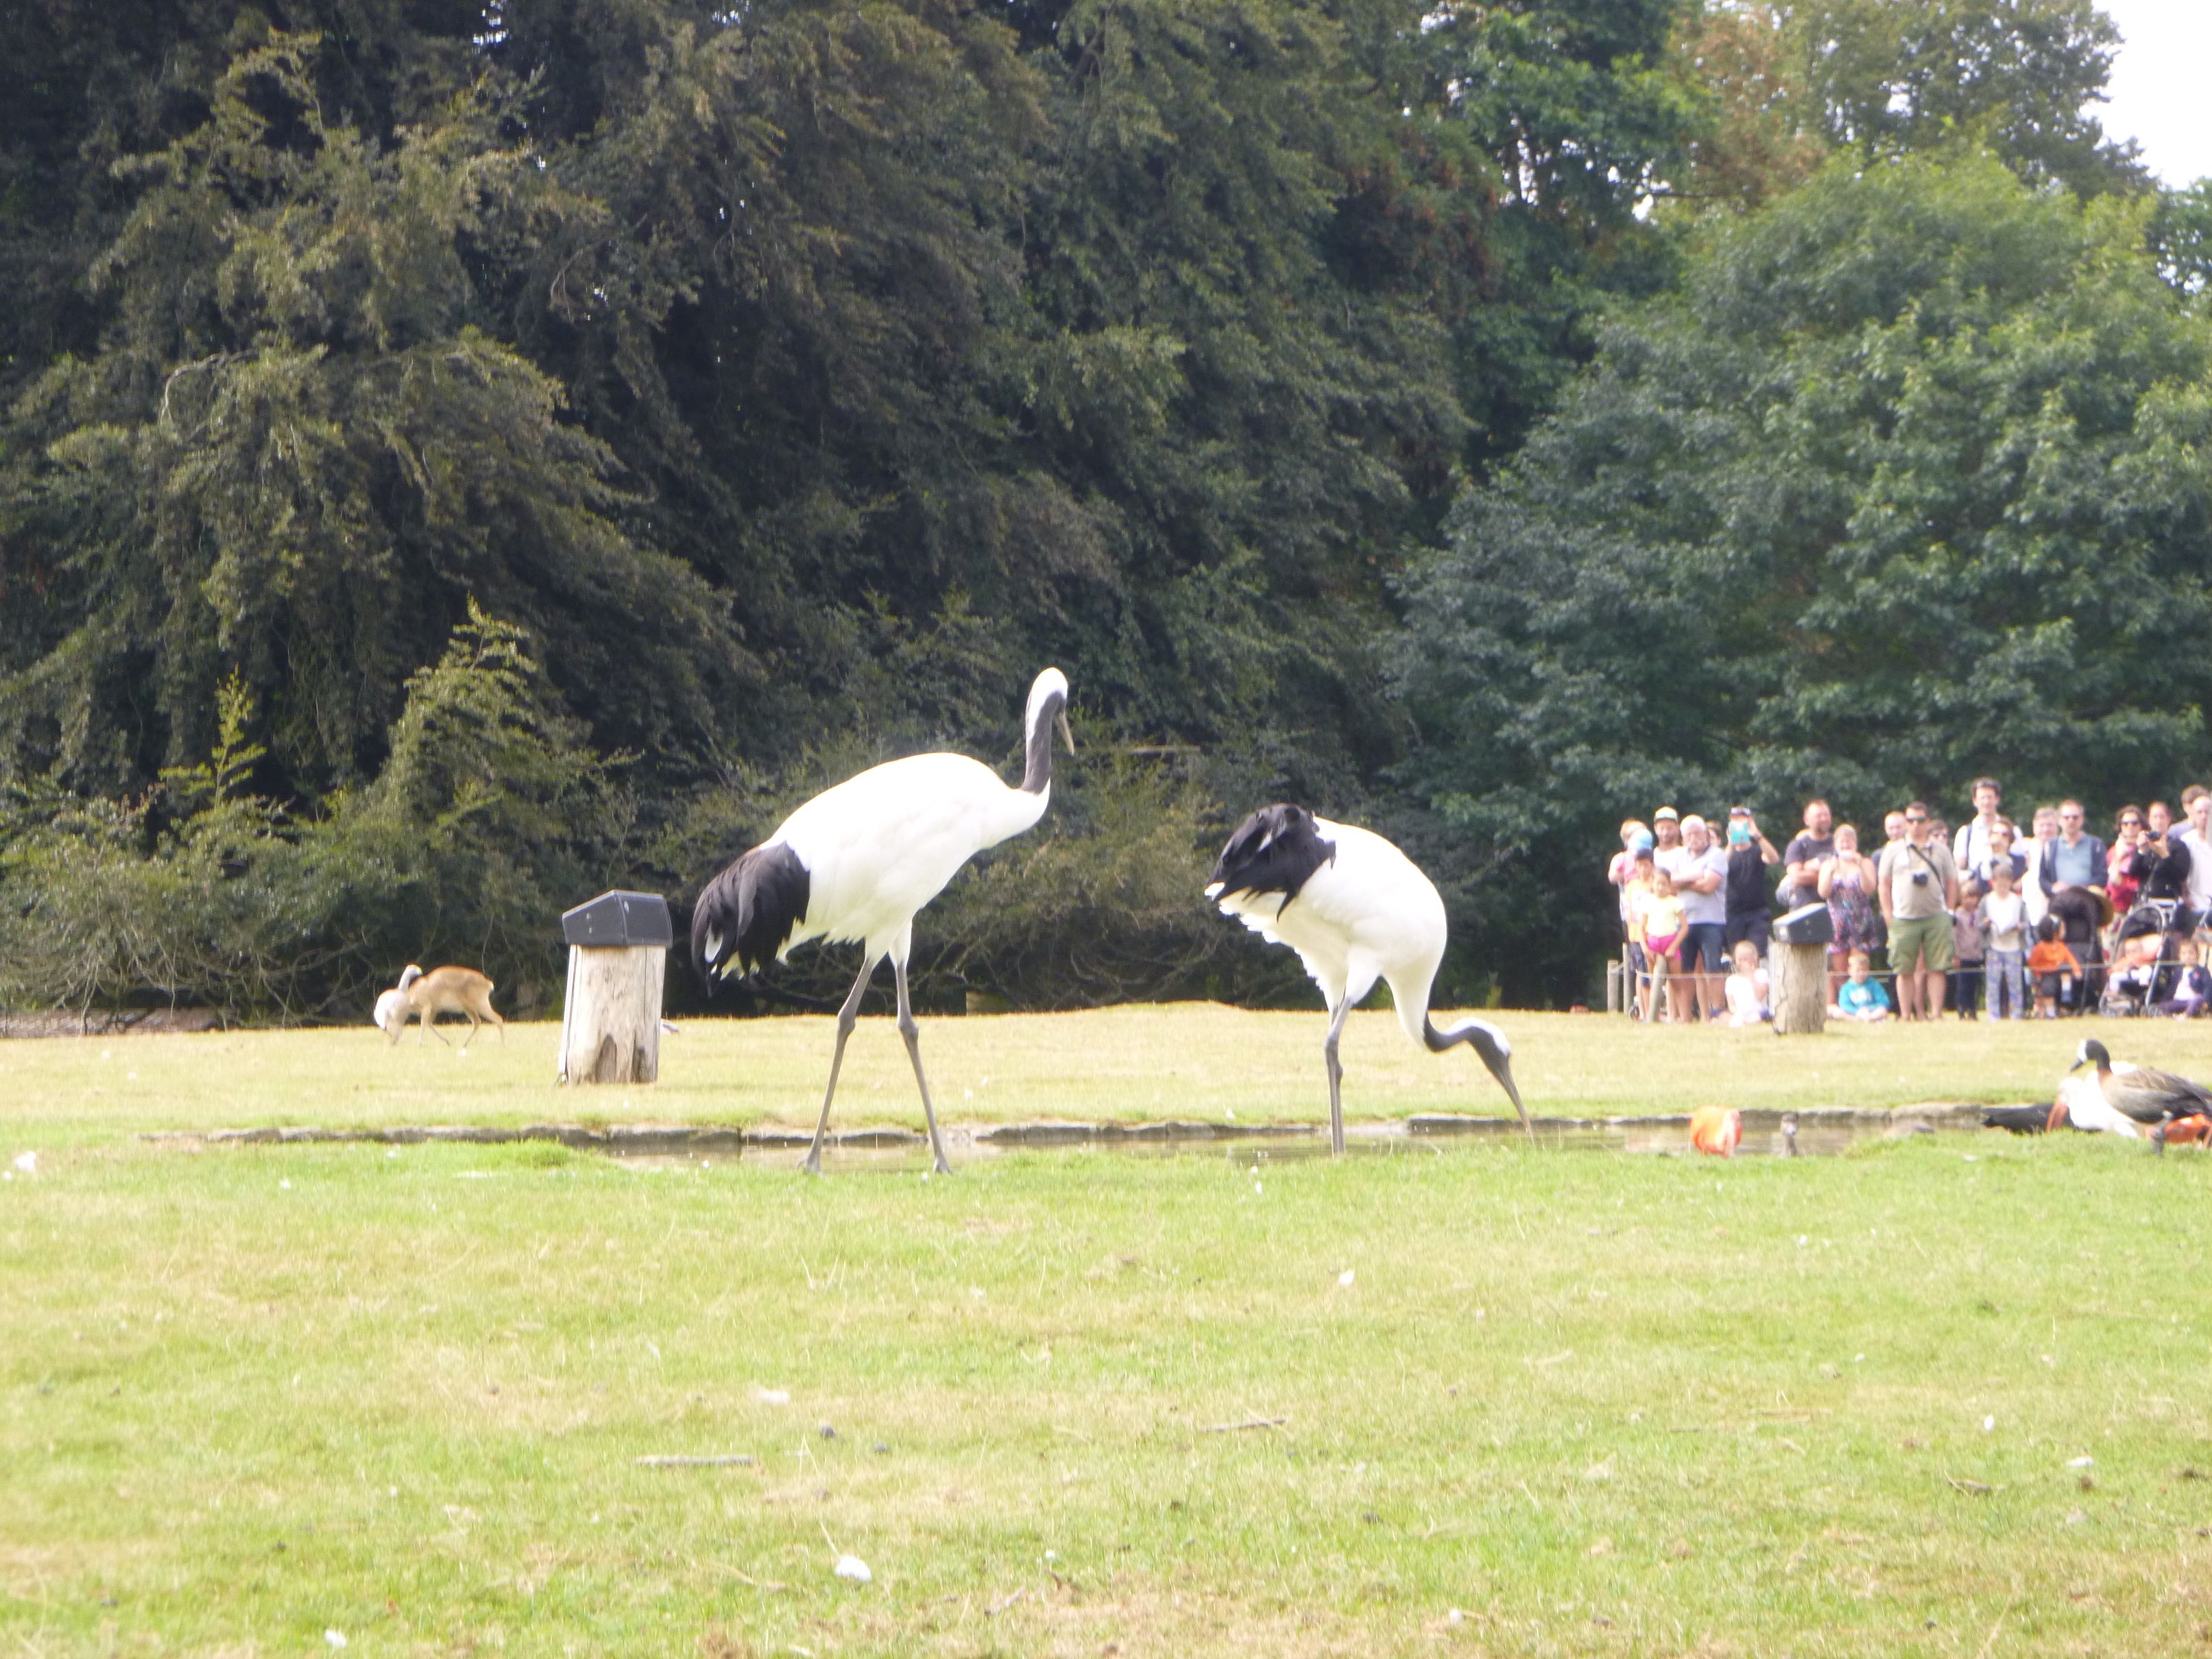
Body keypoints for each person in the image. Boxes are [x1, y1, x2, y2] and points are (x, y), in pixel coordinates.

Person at [1877, 801, 1958, 1020]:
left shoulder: (1941, 850)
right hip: (1903, 917)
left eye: (1920, 820)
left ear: (1928, 822)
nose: (1915, 825)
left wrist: (1949, 912)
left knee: (1937, 967)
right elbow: (1883, 884)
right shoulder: (1892, 850)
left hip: (1936, 916)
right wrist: (1888, 914)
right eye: (1911, 820)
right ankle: (1905, 1015)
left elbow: (1952, 881)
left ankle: (1937, 1014)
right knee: (1903, 969)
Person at [1661, 815, 1730, 1022]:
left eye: (1698, 832)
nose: (1694, 837)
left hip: (1712, 921)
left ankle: (1716, 1012)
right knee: (1684, 970)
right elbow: (1669, 882)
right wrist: (1698, 875)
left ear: (1706, 834)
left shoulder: (1717, 855)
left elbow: (1709, 886)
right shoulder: (1679, 856)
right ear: (1683, 837)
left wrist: (1684, 880)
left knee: (1713, 967)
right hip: (1684, 922)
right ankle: (1685, 1016)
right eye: (1689, 834)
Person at [1816, 824, 1881, 1002]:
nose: (1846, 844)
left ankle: (1861, 1001)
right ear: (1835, 844)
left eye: (1849, 840)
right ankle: (1843, 1003)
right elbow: (1823, 893)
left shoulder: (1866, 862)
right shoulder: (1828, 864)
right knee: (1839, 969)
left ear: (1855, 843)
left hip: (1861, 921)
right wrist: (1830, 871)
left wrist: (1860, 866)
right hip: (1838, 921)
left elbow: (1869, 889)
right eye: (1841, 841)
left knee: (1859, 965)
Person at [1722, 807, 1781, 960]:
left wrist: (1757, 835)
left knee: (1756, 956)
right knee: (1737, 957)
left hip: (1757, 914)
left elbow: (1774, 859)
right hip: (1733, 914)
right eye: (1735, 822)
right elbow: (1720, 869)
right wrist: (1730, 844)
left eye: (1743, 822)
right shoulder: (1727, 853)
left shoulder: (1757, 851)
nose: (1740, 825)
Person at [1979, 861, 2028, 1020]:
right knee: (1993, 983)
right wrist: (1985, 924)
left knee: (2015, 984)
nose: (2002, 887)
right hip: (1994, 947)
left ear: (2011, 883)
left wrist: (2020, 927)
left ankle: (2016, 1013)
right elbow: (1979, 925)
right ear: (1992, 883)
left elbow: (2027, 923)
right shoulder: (1987, 901)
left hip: (2013, 947)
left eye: (2005, 884)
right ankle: (1993, 1014)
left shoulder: (2018, 901)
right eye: (1998, 884)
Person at [1640, 865, 1687, 1023]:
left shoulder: (1674, 902)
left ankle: (1683, 1018)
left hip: (1670, 942)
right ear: (1652, 884)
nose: (1660, 887)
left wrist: (1674, 947)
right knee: (1655, 981)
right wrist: (1645, 947)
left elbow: (1684, 928)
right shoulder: (1648, 901)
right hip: (1653, 944)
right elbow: (1641, 928)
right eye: (1657, 883)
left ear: (1669, 885)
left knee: (1676, 982)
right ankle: (1652, 1016)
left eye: (1664, 884)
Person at [1779, 799, 1835, 913]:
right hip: (1806, 911)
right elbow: (1796, 877)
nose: (1824, 819)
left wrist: (1807, 869)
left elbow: (1850, 872)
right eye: (1818, 816)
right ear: (1806, 820)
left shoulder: (1839, 843)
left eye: (1826, 815)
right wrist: (1828, 875)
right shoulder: (1798, 845)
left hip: (1836, 910)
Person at [2027, 916, 2080, 1018]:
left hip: (2059, 974)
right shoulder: (2040, 947)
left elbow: (2071, 959)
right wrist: (2037, 975)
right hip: (2046, 975)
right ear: (2054, 931)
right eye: (2062, 929)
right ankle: (2050, 1013)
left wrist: (2077, 970)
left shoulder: (2061, 946)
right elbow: (2032, 963)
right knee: (2048, 989)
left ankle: (2066, 997)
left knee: (2066, 969)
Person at [2020, 804, 2061, 933]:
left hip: (2056, 910)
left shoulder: (2063, 848)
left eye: (2050, 825)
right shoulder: (2024, 848)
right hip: (2031, 911)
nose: (2045, 829)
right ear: (2034, 827)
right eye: (2041, 825)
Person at [1953, 776, 2004, 876]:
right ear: (1975, 801)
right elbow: (1960, 865)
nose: (1986, 802)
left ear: (1997, 799)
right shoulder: (1965, 833)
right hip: (1975, 887)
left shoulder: (2011, 830)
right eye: (1982, 798)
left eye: (1990, 797)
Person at [1949, 877, 1985, 1018]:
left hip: (1976, 955)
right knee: (1962, 985)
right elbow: (1954, 936)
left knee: (1973, 985)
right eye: (1966, 897)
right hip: (1963, 955)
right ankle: (1961, 1008)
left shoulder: (1980, 914)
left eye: (1973, 897)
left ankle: (1972, 1009)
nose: (1970, 901)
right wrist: (1955, 954)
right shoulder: (1958, 915)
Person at [2106, 805, 2148, 920]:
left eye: (2134, 823)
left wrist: (2122, 885)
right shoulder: (2113, 851)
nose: (2130, 827)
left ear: (2141, 825)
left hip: (2140, 907)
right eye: (2125, 824)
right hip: (2116, 910)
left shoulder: (2147, 849)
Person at [2154, 940, 2211, 1018]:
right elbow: (2171, 990)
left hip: (2192, 1001)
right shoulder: (2178, 973)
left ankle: (2186, 1015)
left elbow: (2208, 987)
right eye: (2184, 954)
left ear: (2197, 955)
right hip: (2178, 1001)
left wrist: (2206, 1001)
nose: (2188, 956)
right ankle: (2173, 1016)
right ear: (2180, 956)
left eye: (2191, 953)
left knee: (2198, 998)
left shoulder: (2202, 971)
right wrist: (2164, 1001)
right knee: (2160, 1006)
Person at [1724, 938, 1770, 1026]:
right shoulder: (1731, 980)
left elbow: (1760, 997)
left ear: (1754, 959)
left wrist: (1751, 977)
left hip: (1759, 1013)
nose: (1741, 963)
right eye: (1739, 959)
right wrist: (1738, 1013)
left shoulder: (1761, 974)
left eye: (1745, 959)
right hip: (1741, 1014)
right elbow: (1731, 1006)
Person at [1836, 951, 1890, 1023]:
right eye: (1858, 970)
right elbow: (1844, 1005)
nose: (1861, 973)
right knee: (1837, 1013)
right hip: (1854, 1013)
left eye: (1864, 970)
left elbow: (1884, 1002)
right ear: (1850, 970)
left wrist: (1868, 1009)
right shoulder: (1846, 987)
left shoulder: (1874, 984)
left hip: (1871, 1012)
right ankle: (1857, 1020)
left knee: (1882, 1011)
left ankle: (1870, 1019)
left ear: (1869, 970)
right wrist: (1858, 1011)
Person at [1971, 820, 2026, 890]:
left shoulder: (2020, 862)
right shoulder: (1985, 863)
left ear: (2010, 839)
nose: (2000, 837)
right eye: (1996, 833)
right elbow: (1983, 888)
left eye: (2004, 834)